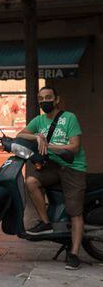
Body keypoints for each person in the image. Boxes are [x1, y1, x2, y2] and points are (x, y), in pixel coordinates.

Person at [17, 86, 87, 270]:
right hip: (54, 168)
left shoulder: (69, 118)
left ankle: (73, 253)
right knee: (30, 181)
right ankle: (46, 223)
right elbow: (20, 134)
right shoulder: (39, 120)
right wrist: (36, 136)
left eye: (48, 98)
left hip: (73, 167)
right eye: (41, 99)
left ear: (56, 99)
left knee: (75, 212)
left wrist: (50, 146)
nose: (44, 102)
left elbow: (74, 147)